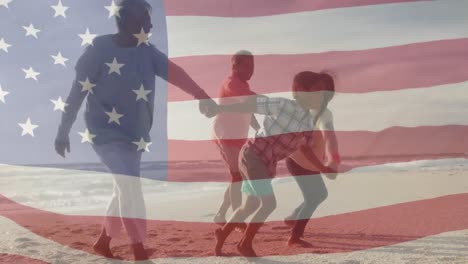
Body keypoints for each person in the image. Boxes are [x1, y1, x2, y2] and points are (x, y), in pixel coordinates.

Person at [53, 0, 216, 260]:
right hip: (103, 132)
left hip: (135, 136)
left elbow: (176, 73)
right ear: (126, 18)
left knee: (123, 189)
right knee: (130, 185)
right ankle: (138, 249)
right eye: (145, 18)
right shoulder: (99, 49)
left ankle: (103, 242)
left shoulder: (147, 52)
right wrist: (63, 130)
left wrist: (202, 95)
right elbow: (77, 91)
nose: (150, 24)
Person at [213, 71, 336, 257]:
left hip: (265, 162)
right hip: (252, 155)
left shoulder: (309, 123)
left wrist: (323, 168)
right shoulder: (282, 104)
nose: (320, 96)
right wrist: (220, 109)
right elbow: (252, 104)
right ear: (299, 91)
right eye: (316, 91)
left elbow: (306, 150)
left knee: (250, 205)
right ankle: (244, 244)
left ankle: (222, 234)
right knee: (269, 203)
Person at [284, 72, 340, 247]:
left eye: (327, 92)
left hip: (312, 162)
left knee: (318, 195)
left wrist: (333, 160)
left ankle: (293, 218)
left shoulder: (325, 113)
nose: (322, 95)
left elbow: (330, 137)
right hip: (297, 160)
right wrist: (324, 167)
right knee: (315, 196)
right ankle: (295, 236)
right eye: (318, 90)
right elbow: (302, 147)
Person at [212, 50, 260, 224]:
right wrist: (276, 104)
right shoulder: (231, 83)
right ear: (235, 65)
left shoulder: (241, 83)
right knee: (237, 176)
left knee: (237, 175)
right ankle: (236, 219)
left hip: (238, 135)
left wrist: (253, 121)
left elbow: (244, 105)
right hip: (226, 135)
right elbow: (248, 99)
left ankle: (221, 214)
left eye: (252, 66)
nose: (251, 70)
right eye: (247, 66)